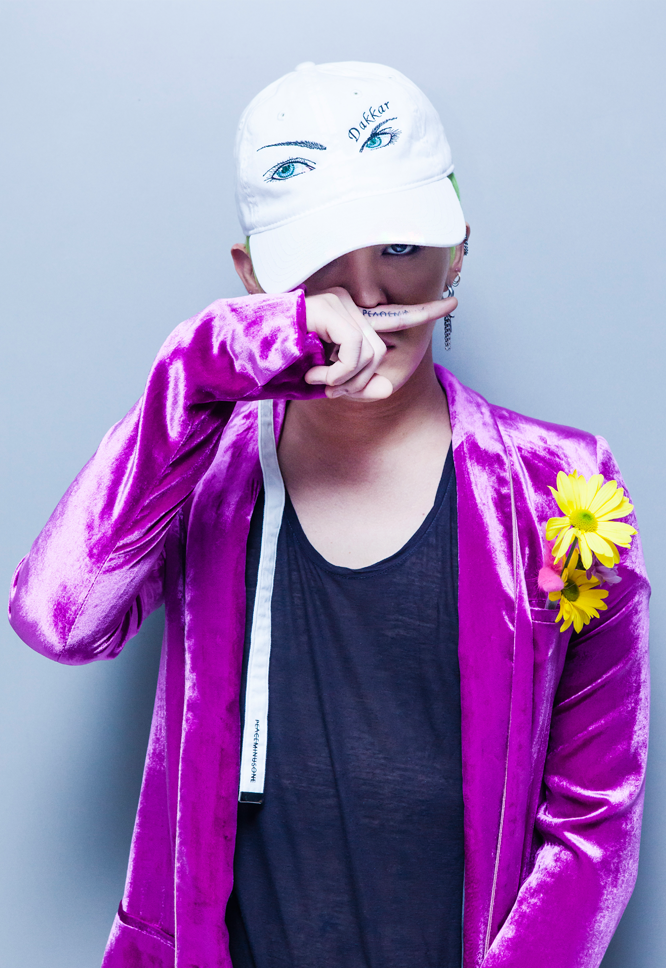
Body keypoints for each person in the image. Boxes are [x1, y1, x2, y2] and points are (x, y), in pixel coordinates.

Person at [8, 61, 649, 968]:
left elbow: (593, 825)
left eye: (399, 247)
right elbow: (59, 618)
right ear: (253, 279)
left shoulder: (559, 488)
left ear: (457, 247)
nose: (369, 296)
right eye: (320, 263)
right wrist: (205, 364)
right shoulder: (201, 464)